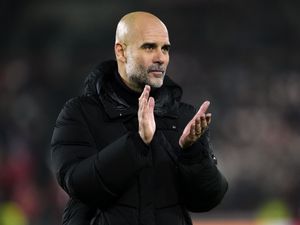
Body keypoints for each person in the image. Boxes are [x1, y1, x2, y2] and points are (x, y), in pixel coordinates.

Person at [51, 11, 228, 225]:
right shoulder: (80, 113)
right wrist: (137, 143)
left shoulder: (183, 117)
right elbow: (78, 185)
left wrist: (192, 153)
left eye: (165, 48)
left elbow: (206, 200)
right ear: (121, 51)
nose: (160, 57)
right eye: (149, 47)